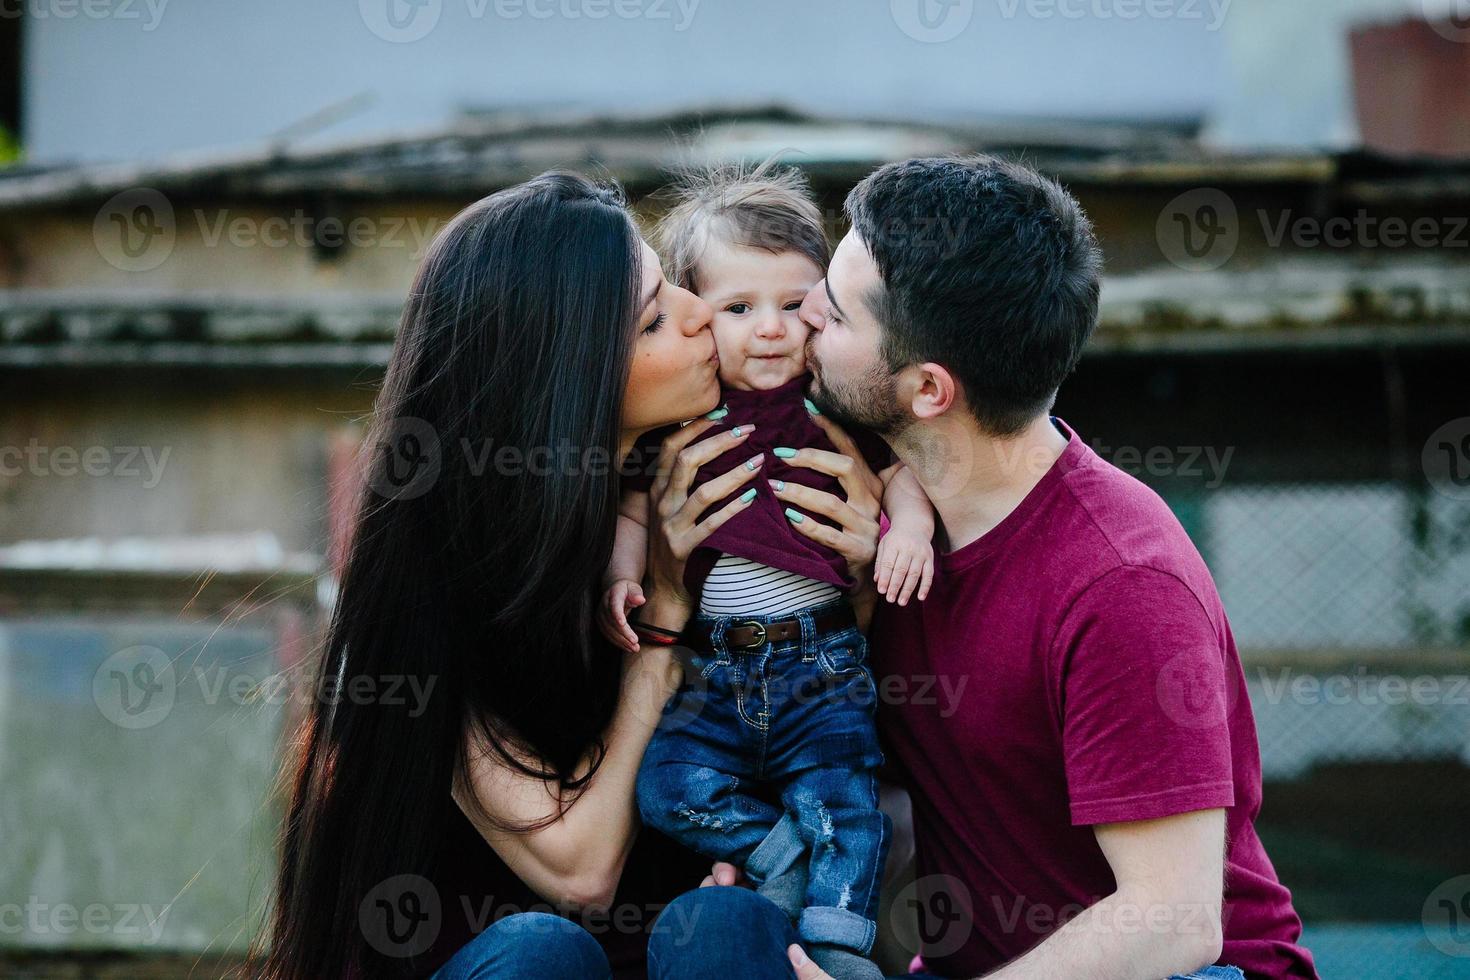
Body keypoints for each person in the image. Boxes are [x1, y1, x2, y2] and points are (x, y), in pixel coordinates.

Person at [648, 156, 1319, 980]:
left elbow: (1174, 922)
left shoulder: (1120, 583)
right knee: (718, 932)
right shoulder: (873, 534)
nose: (804, 312)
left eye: (837, 309)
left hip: (1186, 975)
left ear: (928, 389)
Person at [254, 171, 887, 979]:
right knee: (544, 953)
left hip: (672, 954)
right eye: (658, 318)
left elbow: (813, 708)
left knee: (728, 922)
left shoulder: (711, 486)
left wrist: (857, 572)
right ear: (572, 380)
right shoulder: (443, 589)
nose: (704, 314)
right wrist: (661, 615)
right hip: (512, 963)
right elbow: (581, 870)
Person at [598, 164, 938, 980]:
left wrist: (912, 531)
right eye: (739, 309)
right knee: (668, 785)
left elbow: (902, 475)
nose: (773, 330)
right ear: (691, 315)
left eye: (795, 305)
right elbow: (636, 507)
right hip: (714, 671)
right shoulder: (683, 416)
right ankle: (775, 852)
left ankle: (836, 950)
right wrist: (620, 576)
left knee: (847, 809)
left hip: (821, 664)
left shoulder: (835, 404)